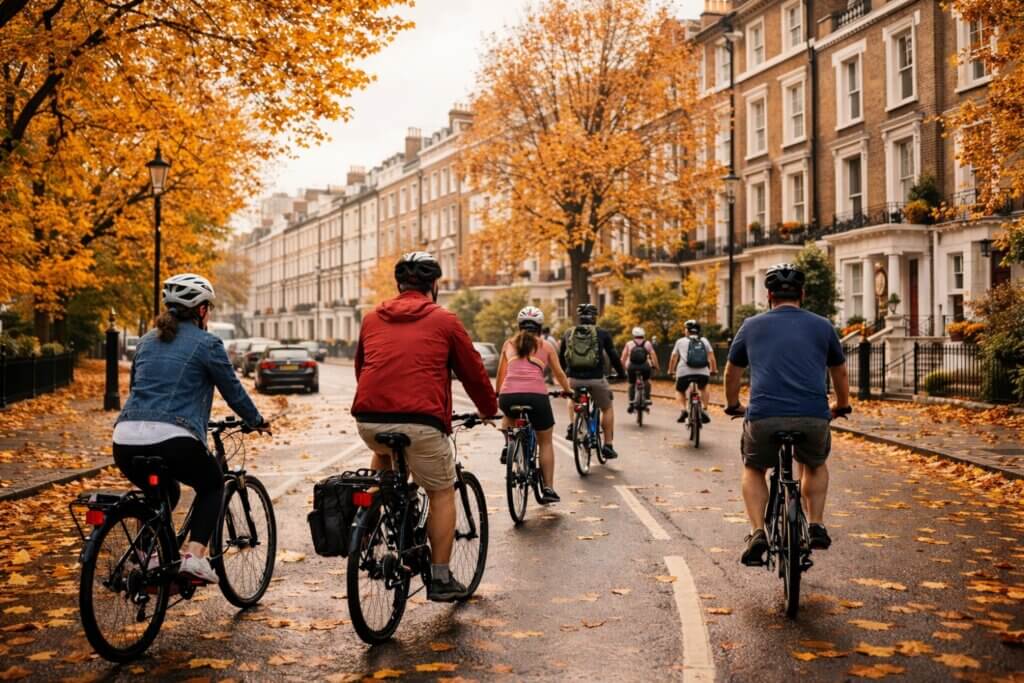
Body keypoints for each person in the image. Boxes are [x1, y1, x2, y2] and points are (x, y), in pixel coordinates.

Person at [352, 252, 498, 602]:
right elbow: (473, 372)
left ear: (398, 285)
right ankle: (440, 577)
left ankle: (368, 528)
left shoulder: (372, 318)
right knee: (441, 490)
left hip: (369, 419)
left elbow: (362, 368)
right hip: (422, 422)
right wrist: (489, 410)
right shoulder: (445, 320)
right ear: (435, 286)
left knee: (384, 459)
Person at [113, 273, 271, 584]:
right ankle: (195, 559)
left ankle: (147, 556)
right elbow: (232, 390)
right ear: (200, 310)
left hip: (125, 439)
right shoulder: (207, 344)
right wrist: (256, 420)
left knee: (165, 492)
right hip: (174, 438)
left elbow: (137, 388)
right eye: (208, 308)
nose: (209, 314)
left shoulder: (145, 342)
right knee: (212, 483)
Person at [723, 263, 851, 566]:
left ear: (769, 295)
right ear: (802, 294)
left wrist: (733, 403)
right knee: (814, 462)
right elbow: (840, 372)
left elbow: (732, 372)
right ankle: (816, 524)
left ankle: (757, 533)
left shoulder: (751, 325)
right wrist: (841, 405)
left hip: (764, 415)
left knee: (754, 467)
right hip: (813, 414)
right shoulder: (823, 326)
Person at [496, 307, 573, 503]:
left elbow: (501, 375)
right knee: (545, 441)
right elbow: (559, 373)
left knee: (508, 416)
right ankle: (548, 487)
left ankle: (509, 444)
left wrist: (498, 394)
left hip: (509, 396)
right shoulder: (546, 346)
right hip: (536, 397)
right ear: (539, 328)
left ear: (519, 326)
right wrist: (568, 391)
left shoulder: (508, 344)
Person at [560, 303, 626, 460]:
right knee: (607, 408)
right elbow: (613, 355)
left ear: (578, 317)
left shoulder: (569, 333)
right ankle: (608, 445)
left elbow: (561, 356)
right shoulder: (602, 333)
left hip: (574, 379)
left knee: (572, 396)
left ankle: (572, 425)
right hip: (596, 378)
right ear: (595, 317)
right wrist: (621, 373)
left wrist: (565, 374)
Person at [668, 320, 717, 424]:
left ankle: (683, 410)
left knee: (680, 390)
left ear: (687, 330)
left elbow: (673, 358)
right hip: (702, 371)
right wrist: (713, 370)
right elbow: (712, 358)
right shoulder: (704, 341)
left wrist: (671, 370)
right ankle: (704, 408)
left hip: (683, 372)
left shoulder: (680, 341)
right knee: (704, 386)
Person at [620, 327, 659, 412]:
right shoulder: (647, 343)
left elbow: (623, 358)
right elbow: (653, 356)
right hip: (644, 366)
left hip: (632, 367)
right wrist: (656, 367)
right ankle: (647, 398)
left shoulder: (629, 343)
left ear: (633, 335)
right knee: (647, 381)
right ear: (643, 335)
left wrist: (623, 368)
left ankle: (631, 401)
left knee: (631, 384)